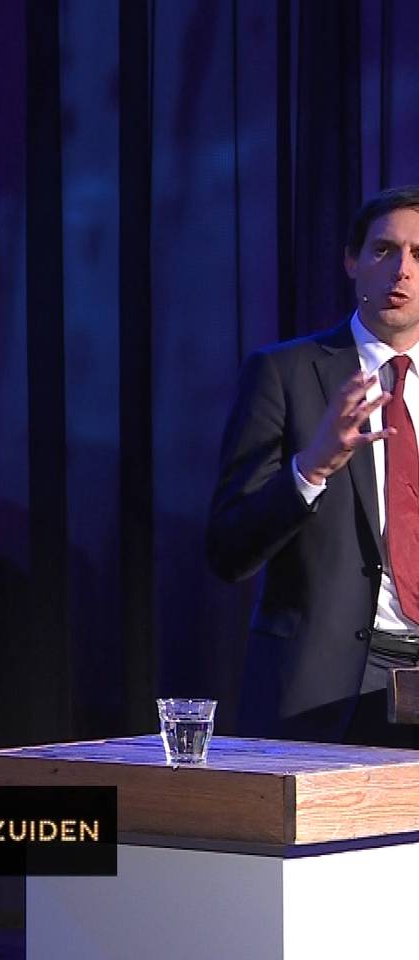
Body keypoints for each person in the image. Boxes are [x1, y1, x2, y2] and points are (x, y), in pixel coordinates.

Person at [208, 185, 419, 745]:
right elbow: (228, 549)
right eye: (384, 250)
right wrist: (310, 469)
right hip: (323, 691)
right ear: (352, 260)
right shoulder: (285, 374)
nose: (401, 270)